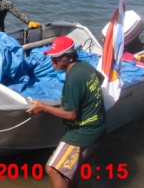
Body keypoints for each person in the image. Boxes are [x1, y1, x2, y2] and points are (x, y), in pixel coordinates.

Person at [27, 36, 107, 188]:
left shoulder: (73, 80)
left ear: (69, 58)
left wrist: (43, 107)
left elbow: (70, 115)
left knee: (52, 169)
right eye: (51, 56)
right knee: (74, 171)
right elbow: (100, 79)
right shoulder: (85, 66)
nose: (52, 61)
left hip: (83, 132)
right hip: (99, 127)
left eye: (57, 57)